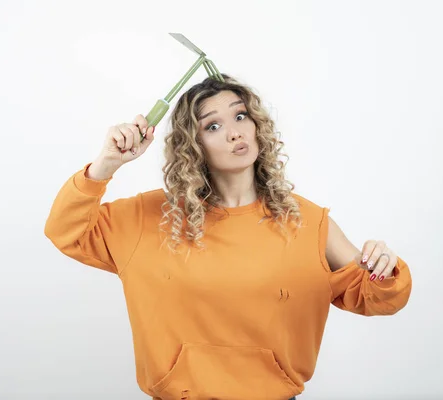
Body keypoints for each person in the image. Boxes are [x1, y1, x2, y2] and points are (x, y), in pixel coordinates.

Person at [44, 74, 412, 400]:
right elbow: (66, 231)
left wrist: (384, 264)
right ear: (193, 146)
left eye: (240, 116)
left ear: (256, 126)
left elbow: (376, 298)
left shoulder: (307, 221)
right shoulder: (150, 217)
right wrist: (105, 166)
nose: (235, 131)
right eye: (213, 126)